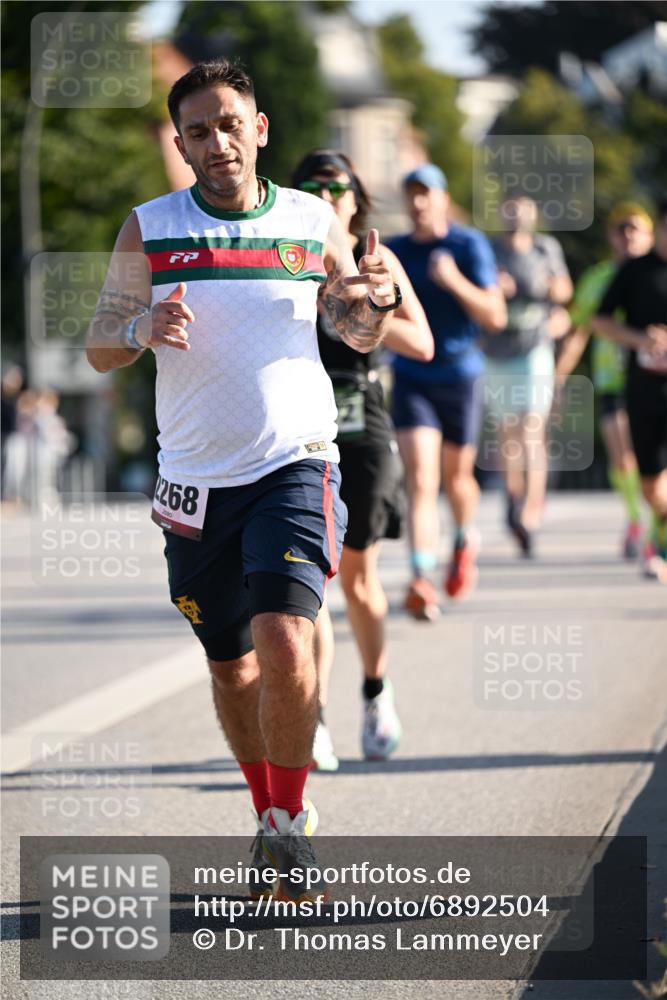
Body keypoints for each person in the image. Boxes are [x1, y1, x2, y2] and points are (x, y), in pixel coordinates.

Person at [85, 59, 400, 900]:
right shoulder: (150, 227)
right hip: (194, 480)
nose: (217, 142)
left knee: (286, 638)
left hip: (294, 459)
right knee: (232, 667)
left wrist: (372, 301)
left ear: (257, 129)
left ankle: (289, 826)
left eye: (230, 124)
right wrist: (141, 327)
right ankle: (267, 813)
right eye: (198, 131)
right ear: (181, 145)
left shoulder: (308, 220)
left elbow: (354, 331)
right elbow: (100, 345)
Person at [290, 150, 434, 768]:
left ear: (356, 198)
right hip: (302, 431)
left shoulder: (378, 258)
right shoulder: (289, 258)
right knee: (311, 586)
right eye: (312, 186)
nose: (326, 195)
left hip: (364, 428)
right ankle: (313, 716)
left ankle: (376, 692)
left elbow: (423, 344)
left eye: (337, 185)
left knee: (357, 578)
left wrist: (375, 303)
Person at [386, 165, 507, 620]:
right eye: (411, 194)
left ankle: (463, 537)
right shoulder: (394, 250)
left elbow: (495, 316)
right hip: (411, 376)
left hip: (460, 376)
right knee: (420, 479)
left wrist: (453, 280)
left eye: (426, 194)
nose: (418, 202)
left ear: (442, 198)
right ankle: (421, 577)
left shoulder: (467, 244)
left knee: (457, 480)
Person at [556, 203, 654, 558]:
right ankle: (636, 519)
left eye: (635, 229)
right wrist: (559, 378)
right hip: (613, 380)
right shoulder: (598, 279)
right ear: (612, 237)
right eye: (621, 229)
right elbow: (578, 330)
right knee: (623, 456)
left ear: (650, 235)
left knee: (653, 459)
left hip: (654, 380)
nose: (628, 236)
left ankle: (655, 523)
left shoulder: (657, 274)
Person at [483, 196, 573, 556]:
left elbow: (565, 290)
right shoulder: (490, 251)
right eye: (510, 208)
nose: (516, 215)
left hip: (535, 348)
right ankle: (514, 496)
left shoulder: (545, 248)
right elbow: (479, 290)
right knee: (508, 434)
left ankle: (530, 514)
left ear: (533, 214)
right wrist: (494, 289)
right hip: (497, 351)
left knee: (532, 428)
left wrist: (554, 290)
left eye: (523, 208)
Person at [594, 201, 667, 582]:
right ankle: (661, 521)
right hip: (643, 388)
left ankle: (659, 547)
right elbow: (600, 321)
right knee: (650, 482)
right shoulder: (634, 271)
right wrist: (641, 339)